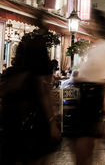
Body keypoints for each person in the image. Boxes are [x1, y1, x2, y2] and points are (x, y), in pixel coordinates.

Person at [0, 22, 61, 164]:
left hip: (11, 126)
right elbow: (45, 97)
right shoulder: (36, 78)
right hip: (34, 126)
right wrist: (52, 123)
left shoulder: (10, 74)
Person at [70, 9, 105, 165]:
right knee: (82, 152)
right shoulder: (95, 47)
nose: (88, 24)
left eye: (91, 21)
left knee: (83, 153)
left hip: (91, 102)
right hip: (85, 100)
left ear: (98, 24)